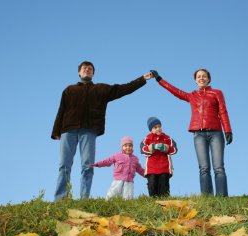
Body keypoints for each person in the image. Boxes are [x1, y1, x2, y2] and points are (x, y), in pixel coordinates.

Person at [51, 61, 152, 201]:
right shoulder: (69, 90)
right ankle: (61, 198)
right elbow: (61, 111)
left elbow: (122, 89)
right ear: (79, 72)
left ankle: (84, 198)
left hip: (89, 130)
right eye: (84, 68)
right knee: (64, 165)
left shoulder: (100, 89)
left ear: (93, 73)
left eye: (90, 69)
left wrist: (141, 80)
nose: (87, 70)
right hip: (68, 129)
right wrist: (56, 131)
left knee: (87, 165)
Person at [150, 69, 233, 197]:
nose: (201, 78)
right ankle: (207, 197)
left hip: (216, 133)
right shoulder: (192, 95)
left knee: (219, 167)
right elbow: (175, 91)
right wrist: (160, 80)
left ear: (209, 79)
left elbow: (223, 111)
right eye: (199, 77)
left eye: (204, 76)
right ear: (195, 80)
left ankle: (222, 196)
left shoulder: (217, 93)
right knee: (204, 168)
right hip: (198, 135)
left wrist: (228, 130)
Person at [140, 117, 177, 197]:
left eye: (159, 126)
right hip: (151, 168)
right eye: (155, 127)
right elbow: (143, 150)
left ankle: (164, 202)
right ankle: (153, 201)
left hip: (164, 167)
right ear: (151, 130)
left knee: (164, 186)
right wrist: (152, 147)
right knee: (152, 185)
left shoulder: (167, 138)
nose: (158, 129)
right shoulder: (147, 138)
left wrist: (166, 148)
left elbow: (175, 149)